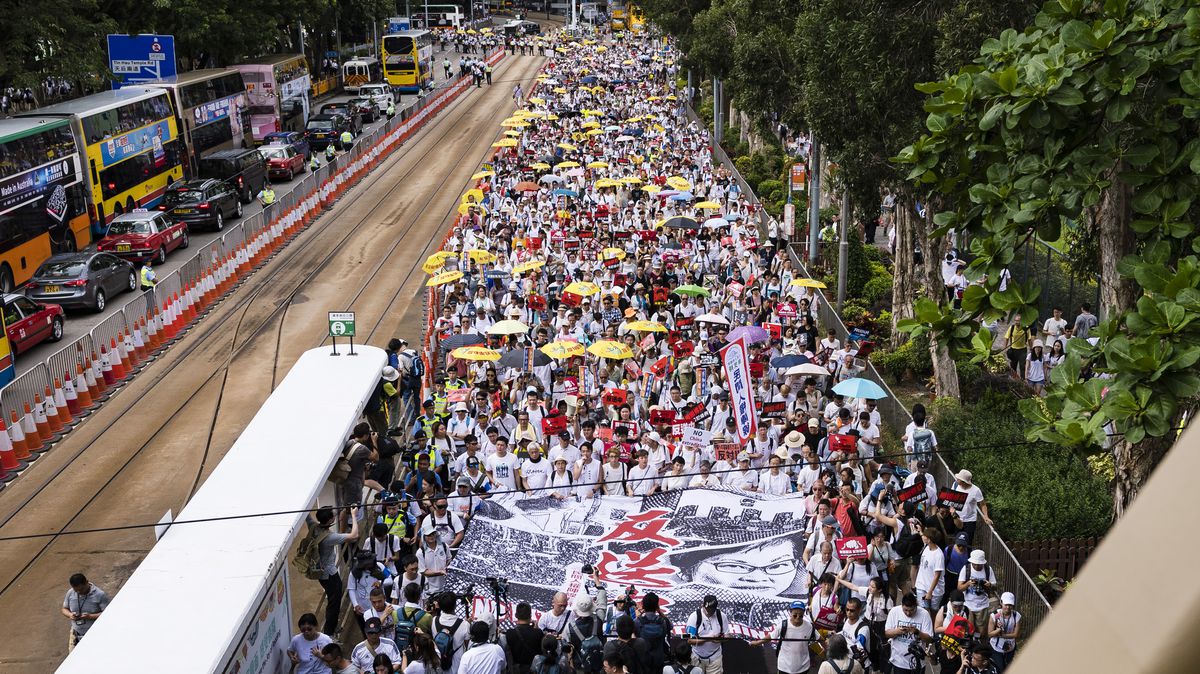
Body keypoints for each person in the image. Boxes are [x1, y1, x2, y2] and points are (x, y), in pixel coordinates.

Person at [306, 505, 359, 635]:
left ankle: (331, 629)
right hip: (330, 574)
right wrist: (353, 515)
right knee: (334, 604)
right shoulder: (330, 537)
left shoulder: (313, 527)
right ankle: (329, 632)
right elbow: (354, 535)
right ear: (330, 520)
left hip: (320, 572)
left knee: (333, 600)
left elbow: (307, 517)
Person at [749, 600, 814, 674]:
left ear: (803, 613)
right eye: (795, 615)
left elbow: (819, 638)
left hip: (803, 667)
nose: (798, 617)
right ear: (790, 612)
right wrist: (758, 642)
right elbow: (771, 636)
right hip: (784, 667)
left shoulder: (809, 626)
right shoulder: (783, 625)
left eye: (801, 615)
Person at [884, 593, 934, 674]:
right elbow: (887, 634)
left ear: (916, 606)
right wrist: (898, 631)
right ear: (901, 605)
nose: (908, 613)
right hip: (898, 661)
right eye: (905, 610)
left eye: (911, 610)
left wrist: (917, 632)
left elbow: (929, 639)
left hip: (917, 663)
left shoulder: (924, 614)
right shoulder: (894, 612)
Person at [61, 573, 109, 651]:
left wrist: (90, 616)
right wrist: (70, 615)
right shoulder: (70, 593)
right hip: (76, 634)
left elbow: (108, 615)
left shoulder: (100, 595)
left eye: (81, 589)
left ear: (87, 582)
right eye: (76, 590)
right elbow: (64, 609)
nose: (79, 592)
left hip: (96, 634)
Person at [685, 595, 725, 674]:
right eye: (708, 609)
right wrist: (708, 638)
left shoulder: (722, 616)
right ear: (702, 605)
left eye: (712, 609)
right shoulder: (694, 617)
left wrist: (719, 640)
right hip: (697, 657)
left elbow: (727, 636)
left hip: (715, 657)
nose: (710, 611)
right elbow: (690, 640)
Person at [432, 592, 471, 674]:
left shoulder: (434, 620)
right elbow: (467, 645)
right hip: (456, 666)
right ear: (455, 606)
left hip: (438, 665)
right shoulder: (464, 624)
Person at [506, 602, 546, 674]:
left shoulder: (509, 633)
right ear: (530, 616)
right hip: (533, 670)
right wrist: (536, 629)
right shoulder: (538, 633)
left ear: (516, 615)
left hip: (515, 670)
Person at [987, 593, 1020, 673]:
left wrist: (1001, 635)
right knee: (1000, 668)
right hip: (996, 647)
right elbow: (990, 634)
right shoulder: (994, 616)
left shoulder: (1016, 616)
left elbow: (1016, 634)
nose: (1008, 607)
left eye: (1010, 605)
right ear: (1001, 602)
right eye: (1006, 604)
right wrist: (998, 630)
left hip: (1010, 647)